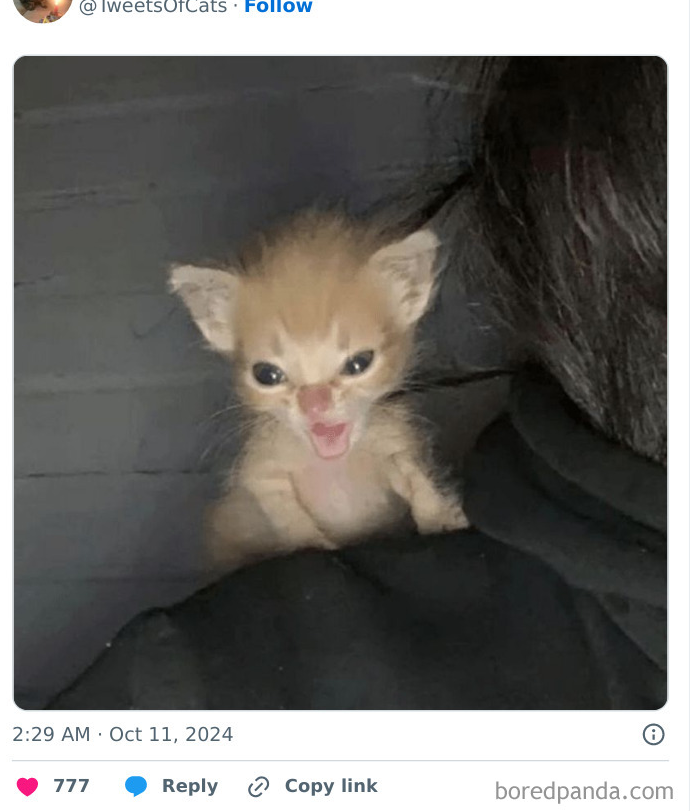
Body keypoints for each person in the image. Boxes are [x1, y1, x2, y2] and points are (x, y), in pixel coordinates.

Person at [50, 57, 666, 709]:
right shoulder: (189, 671)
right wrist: (310, 559)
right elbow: (263, 495)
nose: (316, 403)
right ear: (216, 322)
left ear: (411, 291)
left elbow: (409, 475)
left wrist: (430, 511)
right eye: (272, 374)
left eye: (354, 364)